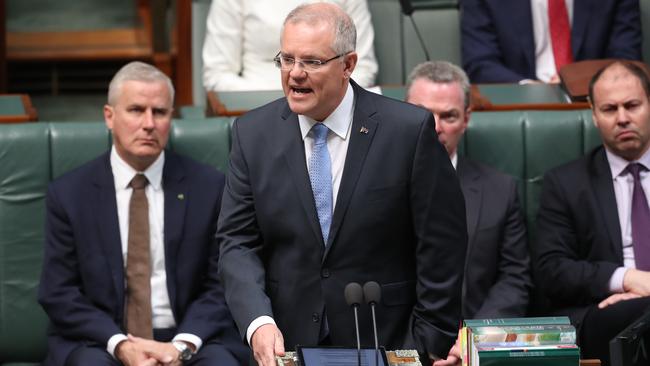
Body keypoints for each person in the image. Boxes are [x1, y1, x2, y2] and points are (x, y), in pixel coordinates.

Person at [216, 3, 467, 366]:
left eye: (312, 62)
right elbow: (236, 242)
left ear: (348, 65)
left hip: (390, 343)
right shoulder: (253, 134)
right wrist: (258, 322)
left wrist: (426, 342)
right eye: (286, 59)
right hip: (286, 345)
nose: (295, 74)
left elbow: (442, 246)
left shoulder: (407, 132)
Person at [37, 61, 248, 366]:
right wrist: (120, 345)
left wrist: (181, 346)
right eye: (136, 110)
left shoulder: (209, 188)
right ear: (109, 116)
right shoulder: (70, 194)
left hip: (190, 336)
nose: (149, 123)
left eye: (160, 112)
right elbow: (58, 292)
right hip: (102, 340)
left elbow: (223, 284)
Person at [405, 61, 532, 366]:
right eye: (423, 114)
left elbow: (514, 280)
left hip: (471, 348)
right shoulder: (369, 185)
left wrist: (476, 339)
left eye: (448, 116)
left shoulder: (500, 190)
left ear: (466, 119)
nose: (434, 126)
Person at [534, 61, 650, 365]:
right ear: (594, 116)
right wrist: (626, 278)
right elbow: (551, 269)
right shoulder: (566, 183)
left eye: (632, 105)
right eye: (610, 109)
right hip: (605, 312)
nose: (623, 118)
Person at [202, 0, 378, 91]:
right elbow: (217, 74)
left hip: (330, 105)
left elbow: (363, 67)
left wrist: (326, 100)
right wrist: (284, 100)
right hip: (255, 105)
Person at [461, 0, 641, 83]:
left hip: (593, 96)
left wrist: (578, 83)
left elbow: (626, 59)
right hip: (517, 96)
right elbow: (480, 63)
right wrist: (528, 88)